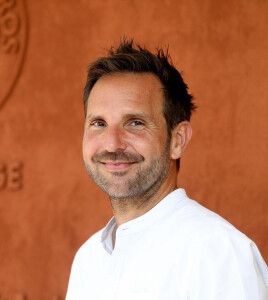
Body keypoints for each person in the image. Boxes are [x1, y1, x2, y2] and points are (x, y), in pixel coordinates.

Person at [65, 39, 268, 300]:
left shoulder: (218, 253)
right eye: (99, 123)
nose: (112, 142)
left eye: (135, 122)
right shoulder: (89, 259)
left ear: (177, 140)